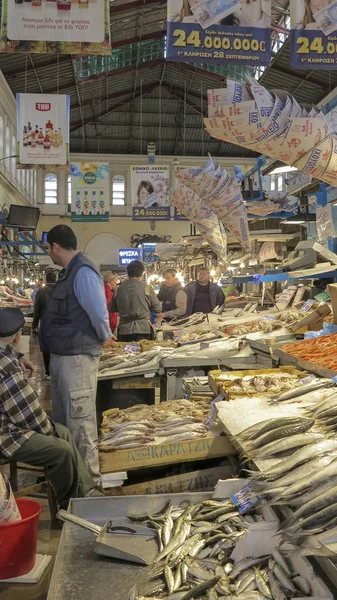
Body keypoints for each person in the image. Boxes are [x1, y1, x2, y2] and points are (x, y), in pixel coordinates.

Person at [0, 308, 98, 509]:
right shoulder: (6, 366)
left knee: (63, 432)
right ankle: (69, 508)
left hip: (7, 425)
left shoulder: (7, 358)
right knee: (60, 449)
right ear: (17, 337)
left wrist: (19, 360)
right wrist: (49, 431)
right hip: (5, 435)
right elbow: (27, 415)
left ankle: (85, 493)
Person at [39, 225, 112, 484]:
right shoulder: (68, 273)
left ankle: (89, 486)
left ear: (55, 247)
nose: (48, 252)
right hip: (64, 357)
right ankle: (71, 481)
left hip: (77, 360)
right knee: (64, 424)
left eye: (48, 248)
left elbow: (99, 314)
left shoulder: (83, 273)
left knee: (81, 426)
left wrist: (105, 339)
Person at [111, 260, 161, 342]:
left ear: (127, 273)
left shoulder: (119, 289)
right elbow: (157, 308)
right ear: (142, 273)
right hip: (143, 329)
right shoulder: (147, 288)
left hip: (124, 330)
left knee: (125, 353)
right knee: (143, 353)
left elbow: (112, 308)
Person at [32, 271, 57, 379]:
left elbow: (36, 310)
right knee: (57, 348)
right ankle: (56, 372)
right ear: (55, 280)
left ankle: (48, 372)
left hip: (45, 324)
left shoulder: (41, 292)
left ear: (46, 280)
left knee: (46, 348)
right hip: (59, 324)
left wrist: (34, 325)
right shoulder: (60, 291)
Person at [103, 271, 118, 335]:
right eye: (115, 281)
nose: (116, 283)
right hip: (108, 325)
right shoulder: (108, 292)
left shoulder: (103, 289)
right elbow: (109, 309)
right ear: (111, 280)